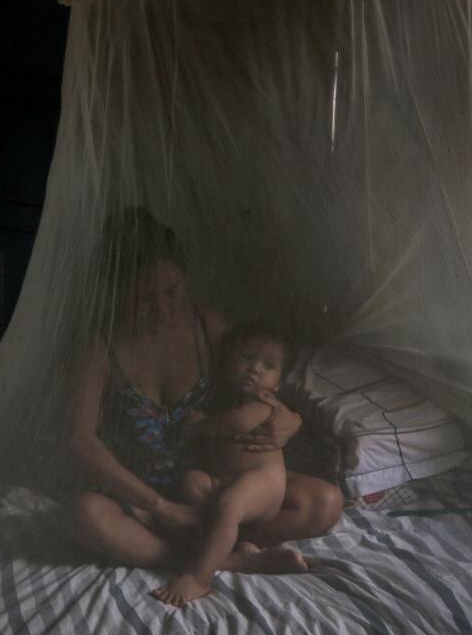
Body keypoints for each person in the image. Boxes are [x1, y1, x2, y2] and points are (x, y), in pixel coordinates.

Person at [63, 207, 343, 580]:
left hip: (217, 483)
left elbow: (256, 379)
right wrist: (160, 506)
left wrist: (287, 417)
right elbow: (78, 440)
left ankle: (210, 545)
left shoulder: (203, 323)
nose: (163, 308)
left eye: (172, 291)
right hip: (147, 491)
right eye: (145, 299)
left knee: (324, 503)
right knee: (84, 516)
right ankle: (228, 560)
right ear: (116, 292)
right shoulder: (100, 347)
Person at [152, 321, 309, 606]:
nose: (255, 369)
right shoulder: (222, 400)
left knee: (229, 505)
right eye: (246, 358)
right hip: (226, 479)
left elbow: (234, 425)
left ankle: (199, 579)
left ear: (277, 384)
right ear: (228, 362)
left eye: (268, 365)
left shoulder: (264, 403)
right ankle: (238, 551)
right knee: (192, 483)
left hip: (263, 483)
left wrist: (199, 426)